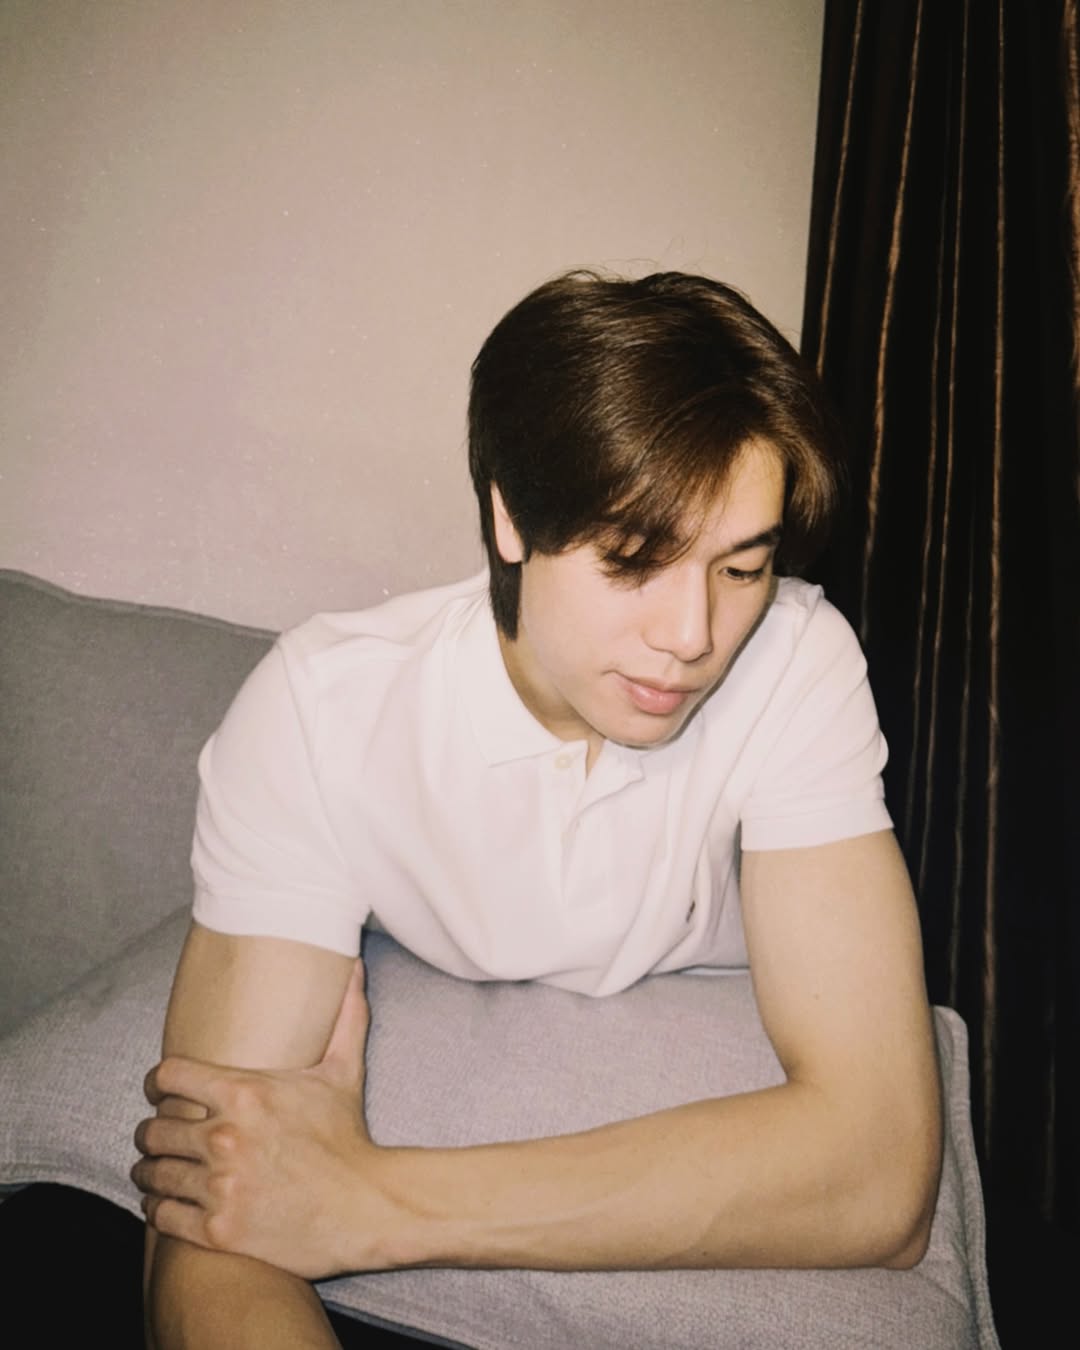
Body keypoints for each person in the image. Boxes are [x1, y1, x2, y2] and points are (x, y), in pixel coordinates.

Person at [132, 270, 943, 1348]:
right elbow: (210, 1215)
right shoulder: (322, 710)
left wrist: (375, 1200)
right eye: (635, 560)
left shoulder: (795, 660)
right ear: (509, 517)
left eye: (741, 568)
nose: (693, 635)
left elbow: (879, 1172)